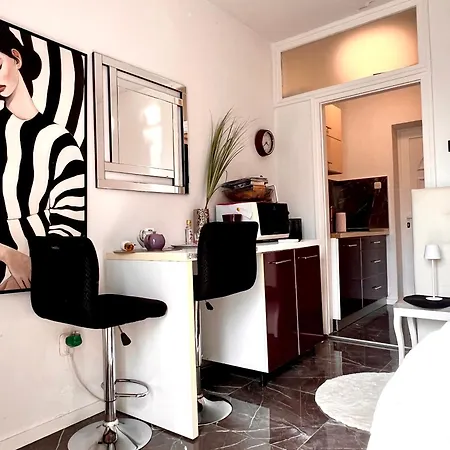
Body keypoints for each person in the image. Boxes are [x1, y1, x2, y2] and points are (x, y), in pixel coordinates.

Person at [0, 23, 85, 291]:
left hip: (42, 269)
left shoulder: (60, 142)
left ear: (16, 58)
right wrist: (8, 255)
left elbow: (69, 221)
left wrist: (36, 267)